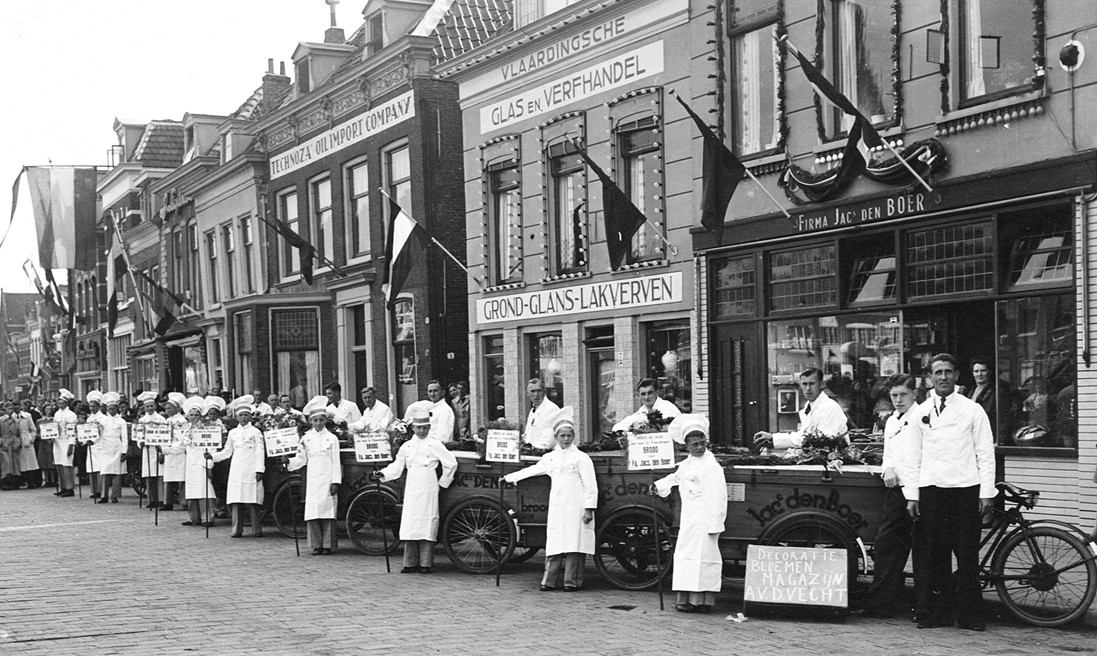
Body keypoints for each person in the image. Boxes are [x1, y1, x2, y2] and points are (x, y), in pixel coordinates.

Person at [905, 354, 995, 632]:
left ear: (957, 376)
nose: (943, 377)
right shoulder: (921, 411)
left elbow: (985, 453)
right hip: (932, 491)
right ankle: (940, 613)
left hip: (965, 490)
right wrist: (912, 494)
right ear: (930, 378)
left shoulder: (972, 410)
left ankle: (969, 616)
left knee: (967, 555)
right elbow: (913, 456)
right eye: (937, 373)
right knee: (936, 555)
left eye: (948, 372)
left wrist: (987, 492)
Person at [504, 406, 597, 592]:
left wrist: (589, 508)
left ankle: (572, 581)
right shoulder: (551, 458)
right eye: (562, 435)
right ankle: (549, 581)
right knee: (555, 543)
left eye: (569, 435)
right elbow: (532, 470)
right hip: (558, 506)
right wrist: (509, 477)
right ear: (556, 437)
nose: (566, 439)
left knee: (574, 544)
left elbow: (590, 485)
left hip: (576, 507)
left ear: (574, 436)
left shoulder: (581, 458)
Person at [857, 374, 927, 619]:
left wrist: (914, 495)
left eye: (903, 395)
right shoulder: (891, 422)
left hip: (918, 493)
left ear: (914, 394)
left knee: (922, 551)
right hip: (896, 493)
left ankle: (924, 608)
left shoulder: (922, 418)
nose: (898, 400)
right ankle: (880, 605)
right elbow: (889, 454)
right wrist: (887, 468)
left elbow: (921, 459)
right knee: (887, 545)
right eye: (894, 395)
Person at [652, 414, 727, 613]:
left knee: (705, 560)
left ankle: (702, 601)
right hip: (689, 520)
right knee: (686, 558)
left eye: (702, 443)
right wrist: (658, 486)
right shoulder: (687, 464)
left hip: (705, 520)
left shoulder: (712, 467)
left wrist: (715, 523)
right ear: (687, 445)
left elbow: (719, 497)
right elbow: (674, 478)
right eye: (695, 444)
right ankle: (685, 599)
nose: (700, 447)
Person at [373, 401, 457, 573]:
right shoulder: (407, 446)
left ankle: (425, 563)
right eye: (418, 428)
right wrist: (382, 474)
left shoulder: (435, 444)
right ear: (413, 428)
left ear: (429, 427)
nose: (421, 431)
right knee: (411, 525)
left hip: (429, 488)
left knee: (427, 524)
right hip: (412, 488)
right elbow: (397, 467)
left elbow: (451, 463)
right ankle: (409, 563)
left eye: (425, 427)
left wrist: (442, 483)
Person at [286, 396, 342, 555]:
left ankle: (327, 545)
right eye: (315, 420)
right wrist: (288, 462)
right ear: (311, 421)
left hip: (327, 477)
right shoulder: (306, 438)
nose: (318, 423)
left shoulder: (332, 438)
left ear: (326, 421)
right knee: (313, 512)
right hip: (312, 478)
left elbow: (336, 461)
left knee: (327, 511)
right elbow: (301, 460)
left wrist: (335, 481)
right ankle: (316, 545)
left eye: (321, 420)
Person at [207, 398, 265, 538]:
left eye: (246, 415)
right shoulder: (233, 433)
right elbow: (227, 452)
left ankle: (256, 529)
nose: (243, 418)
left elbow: (260, 451)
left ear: (249, 416)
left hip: (251, 468)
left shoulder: (256, 432)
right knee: (236, 500)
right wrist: (211, 456)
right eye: (240, 415)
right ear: (237, 417)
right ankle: (237, 529)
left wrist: (259, 469)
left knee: (253, 500)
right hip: (237, 469)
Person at [753, 368, 849, 450]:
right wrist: (772, 437)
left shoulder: (829, 407)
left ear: (821, 384)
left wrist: (774, 439)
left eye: (812, 384)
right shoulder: (809, 405)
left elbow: (820, 441)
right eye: (804, 384)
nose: (808, 388)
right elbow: (803, 436)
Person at [964, 357, 1013, 442]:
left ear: (989, 372)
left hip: (988, 438)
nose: (979, 374)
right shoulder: (969, 392)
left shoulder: (998, 392)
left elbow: (1003, 420)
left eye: (983, 371)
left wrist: (999, 441)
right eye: (976, 371)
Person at [612, 378, 682, 433]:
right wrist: (625, 432)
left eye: (650, 393)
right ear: (638, 395)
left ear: (656, 393)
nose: (646, 397)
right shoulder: (642, 411)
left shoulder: (668, 408)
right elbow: (619, 426)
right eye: (643, 394)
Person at [95, 393, 128, 504]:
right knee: (105, 472)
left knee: (116, 473)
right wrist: (92, 441)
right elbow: (98, 435)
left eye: (113, 409)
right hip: (105, 448)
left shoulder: (121, 421)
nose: (111, 411)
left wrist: (124, 451)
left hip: (117, 447)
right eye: (109, 409)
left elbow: (124, 438)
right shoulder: (102, 421)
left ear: (117, 409)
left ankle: (115, 495)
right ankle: (104, 495)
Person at [136, 391, 166, 510]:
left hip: (157, 449)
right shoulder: (142, 420)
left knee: (159, 475)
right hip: (147, 450)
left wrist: (162, 449)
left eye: (151, 406)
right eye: (147, 406)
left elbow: (164, 435)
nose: (149, 408)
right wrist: (141, 443)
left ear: (155, 406)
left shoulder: (161, 419)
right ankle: (151, 499)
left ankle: (160, 499)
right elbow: (139, 435)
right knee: (149, 475)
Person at [160, 392, 189, 510]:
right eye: (166, 408)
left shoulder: (183, 422)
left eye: (169, 408)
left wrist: (172, 449)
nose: (167, 410)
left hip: (179, 452)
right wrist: (163, 450)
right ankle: (167, 502)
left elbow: (182, 440)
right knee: (168, 478)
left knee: (182, 479)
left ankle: (184, 502)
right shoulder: (167, 421)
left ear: (177, 408)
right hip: (168, 452)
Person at [51, 389, 78, 496]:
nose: (60, 405)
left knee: (67, 463)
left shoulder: (71, 415)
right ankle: (62, 486)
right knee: (59, 464)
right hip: (57, 441)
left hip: (67, 440)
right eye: (59, 403)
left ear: (67, 403)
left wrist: (71, 444)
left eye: (63, 403)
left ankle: (70, 488)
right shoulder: (57, 414)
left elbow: (72, 431)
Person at [524, 378, 560, 450]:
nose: (536, 394)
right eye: (533, 391)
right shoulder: (533, 410)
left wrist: (531, 450)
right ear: (527, 393)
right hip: (532, 456)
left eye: (539, 391)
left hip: (546, 456)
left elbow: (547, 441)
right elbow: (528, 435)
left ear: (544, 392)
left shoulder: (551, 409)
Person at [0, 402, 26, 489]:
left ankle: (15, 482)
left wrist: (18, 442)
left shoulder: (15, 420)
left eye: (12, 409)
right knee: (6, 463)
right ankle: (5, 482)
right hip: (5, 443)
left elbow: (19, 432)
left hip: (14, 443)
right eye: (9, 409)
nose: (11, 411)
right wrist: (2, 442)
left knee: (15, 463)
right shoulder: (1, 420)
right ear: (5, 409)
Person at [85, 390, 105, 499]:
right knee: (92, 467)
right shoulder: (89, 419)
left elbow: (102, 433)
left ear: (98, 406)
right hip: (91, 446)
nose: (91, 408)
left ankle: (100, 489)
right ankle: (93, 490)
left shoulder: (103, 418)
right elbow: (86, 432)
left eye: (93, 406)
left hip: (100, 445)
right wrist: (83, 441)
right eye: (90, 406)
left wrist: (94, 441)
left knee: (99, 468)